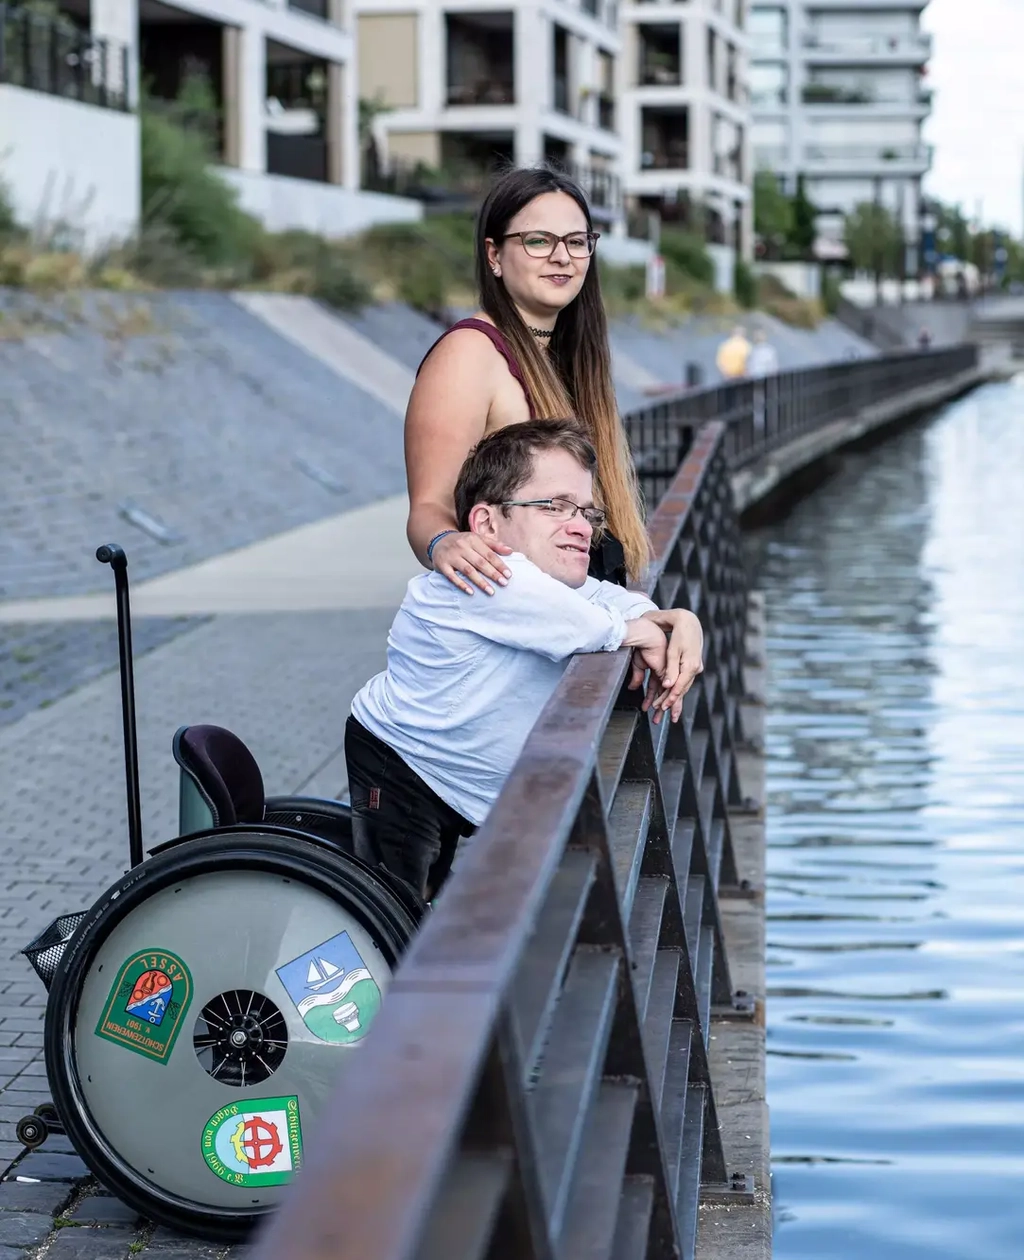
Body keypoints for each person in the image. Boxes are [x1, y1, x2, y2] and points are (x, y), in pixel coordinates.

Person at [346, 421, 704, 902]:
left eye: (587, 512)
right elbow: (585, 624)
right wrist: (639, 631)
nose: (582, 527)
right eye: (554, 506)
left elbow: (608, 598)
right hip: (403, 765)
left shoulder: (549, 582)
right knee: (390, 913)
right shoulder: (485, 573)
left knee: (429, 906)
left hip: (461, 779)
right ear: (487, 524)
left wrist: (673, 620)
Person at [405, 165, 650, 600]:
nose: (562, 257)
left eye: (577, 242)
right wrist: (445, 541)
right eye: (539, 241)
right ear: (494, 255)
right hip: (515, 618)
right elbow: (428, 508)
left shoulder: (567, 357)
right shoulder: (470, 352)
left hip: (574, 615)